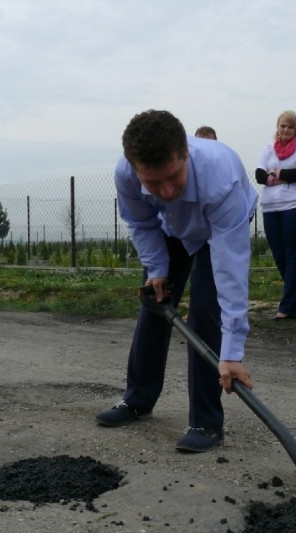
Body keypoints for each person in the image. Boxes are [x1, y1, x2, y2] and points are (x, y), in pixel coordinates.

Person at [96, 110, 258, 453]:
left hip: (218, 226)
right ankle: (138, 400)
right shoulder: (125, 175)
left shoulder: (220, 177)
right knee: (155, 304)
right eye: (153, 183)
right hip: (173, 228)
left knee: (205, 312)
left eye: (174, 177)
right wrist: (156, 269)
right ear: (135, 168)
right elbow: (141, 223)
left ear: (186, 153)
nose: (166, 191)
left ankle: (206, 421)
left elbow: (231, 273)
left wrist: (232, 353)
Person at [255, 110, 296, 320]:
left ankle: (287, 306)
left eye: (290, 126)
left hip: (294, 206)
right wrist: (282, 175)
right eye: (282, 126)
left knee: (291, 253)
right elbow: (259, 176)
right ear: (277, 128)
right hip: (270, 207)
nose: (285, 130)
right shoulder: (267, 149)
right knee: (278, 255)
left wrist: (274, 173)